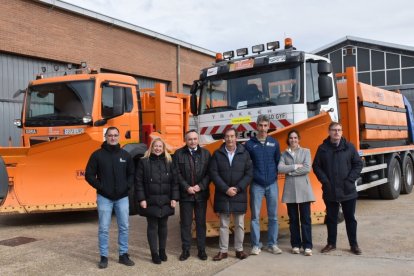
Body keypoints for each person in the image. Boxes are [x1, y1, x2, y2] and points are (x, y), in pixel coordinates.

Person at [85, 126, 135, 269]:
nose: (113, 138)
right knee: (104, 228)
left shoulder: (125, 155)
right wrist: (101, 187)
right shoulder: (97, 155)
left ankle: (123, 255)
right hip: (104, 198)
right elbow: (89, 175)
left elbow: (132, 174)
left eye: (115, 135)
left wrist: (127, 187)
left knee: (124, 226)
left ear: (119, 137)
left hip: (122, 198)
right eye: (110, 135)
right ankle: (104, 257)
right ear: (105, 137)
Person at [312, 122, 363, 255]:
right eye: (334, 130)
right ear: (329, 132)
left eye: (339, 130)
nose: (337, 132)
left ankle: (354, 245)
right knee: (331, 218)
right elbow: (316, 166)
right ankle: (331, 243)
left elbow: (358, 164)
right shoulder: (322, 149)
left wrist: (350, 180)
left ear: (342, 132)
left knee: (350, 218)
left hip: (348, 190)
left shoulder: (349, 147)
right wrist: (325, 181)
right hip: (330, 190)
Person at [209, 128, 252, 261]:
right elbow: (214, 174)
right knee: (224, 224)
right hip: (223, 194)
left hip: (239, 194)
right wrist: (226, 189)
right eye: (227, 136)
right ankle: (223, 251)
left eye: (232, 136)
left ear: (236, 138)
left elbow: (249, 173)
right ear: (224, 138)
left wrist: (238, 188)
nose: (230, 139)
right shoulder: (217, 154)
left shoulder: (244, 153)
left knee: (239, 224)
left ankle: (239, 250)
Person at [135, 138, 179, 264]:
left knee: (163, 226)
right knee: (153, 226)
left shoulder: (170, 161)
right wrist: (141, 199)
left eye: (160, 146)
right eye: (156, 146)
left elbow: (174, 182)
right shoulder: (144, 162)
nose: (158, 148)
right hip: (150, 200)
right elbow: (138, 183)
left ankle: (162, 251)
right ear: (151, 147)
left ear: (163, 148)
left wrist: (174, 198)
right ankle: (154, 253)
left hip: (166, 200)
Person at [245, 114, 281, 255]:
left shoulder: (274, 143)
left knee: (273, 216)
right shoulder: (250, 144)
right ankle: (256, 245)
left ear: (269, 126)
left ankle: (272, 244)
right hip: (256, 185)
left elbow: (278, 161)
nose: (263, 128)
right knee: (255, 217)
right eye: (261, 125)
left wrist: (274, 176)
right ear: (256, 126)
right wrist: (254, 177)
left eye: (266, 125)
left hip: (272, 184)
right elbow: (247, 165)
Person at [173, 130, 211, 261]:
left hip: (201, 195)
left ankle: (201, 250)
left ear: (198, 140)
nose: (192, 141)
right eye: (190, 139)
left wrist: (200, 186)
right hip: (186, 195)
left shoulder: (206, 154)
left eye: (195, 139)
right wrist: (187, 187)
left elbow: (209, 173)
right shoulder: (178, 154)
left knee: (201, 223)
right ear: (185, 140)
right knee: (186, 224)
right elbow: (176, 173)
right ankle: (186, 250)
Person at [278, 130, 315, 256]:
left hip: (304, 190)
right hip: (290, 191)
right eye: (291, 138)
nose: (293, 140)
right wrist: (294, 167)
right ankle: (295, 245)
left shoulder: (306, 151)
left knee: (305, 219)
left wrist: (290, 173)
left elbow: (306, 168)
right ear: (288, 140)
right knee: (293, 220)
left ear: (298, 139)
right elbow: (280, 168)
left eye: (295, 138)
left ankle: (308, 246)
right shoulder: (284, 154)